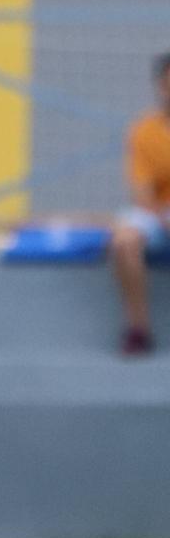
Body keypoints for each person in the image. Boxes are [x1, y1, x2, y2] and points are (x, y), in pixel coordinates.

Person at [109, 50, 170, 357]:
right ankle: (138, 328)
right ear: (161, 86)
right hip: (158, 212)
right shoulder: (143, 131)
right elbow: (142, 193)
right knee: (123, 241)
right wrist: (162, 218)